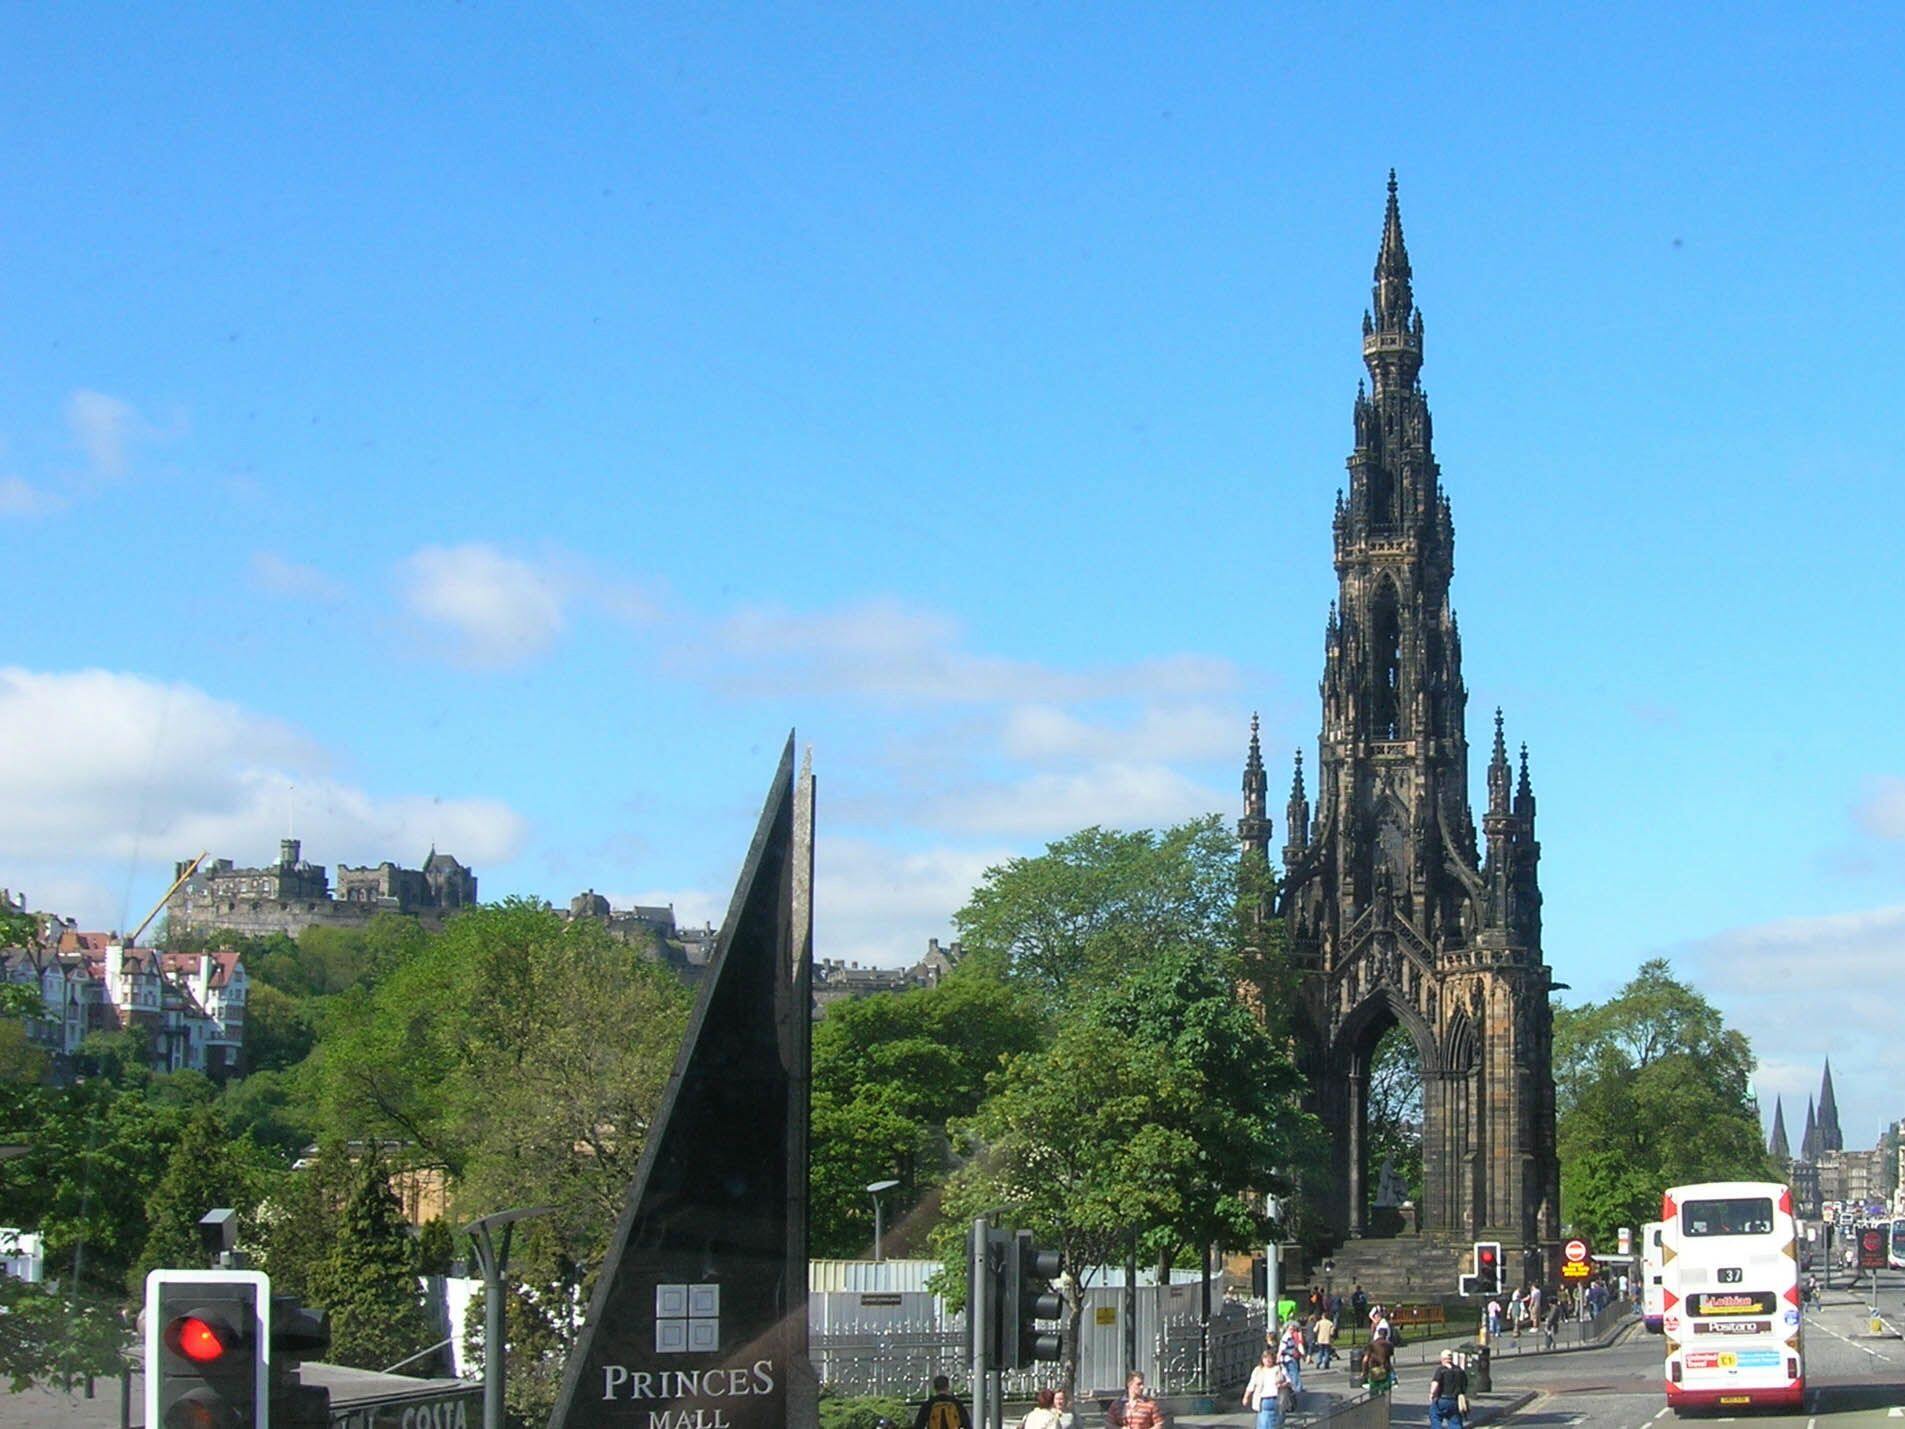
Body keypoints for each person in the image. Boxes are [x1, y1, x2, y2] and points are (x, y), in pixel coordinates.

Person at [1243, 1349, 1287, 1429]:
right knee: (1264, 1423)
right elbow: (1251, 1385)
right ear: (1262, 1359)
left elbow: (1289, 1382)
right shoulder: (1258, 1370)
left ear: (1273, 1359)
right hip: (1263, 1400)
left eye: (1270, 1358)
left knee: (1273, 1423)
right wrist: (1246, 1397)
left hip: (1277, 1400)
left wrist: (1282, 1385)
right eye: (1265, 1358)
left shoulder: (1279, 1369)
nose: (1268, 1360)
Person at [1428, 1349, 1468, 1429]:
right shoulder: (1459, 1370)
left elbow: (1435, 1383)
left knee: (1435, 1416)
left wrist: (1432, 1394)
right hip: (1455, 1401)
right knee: (1455, 1421)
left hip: (1442, 1399)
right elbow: (1465, 1384)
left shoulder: (1441, 1370)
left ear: (1442, 1359)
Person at [1278, 1318, 1306, 1394]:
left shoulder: (1291, 1336)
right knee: (1293, 1372)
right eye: (1290, 1329)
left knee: (1292, 1372)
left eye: (1293, 1329)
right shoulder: (1286, 1337)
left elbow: (1296, 1346)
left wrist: (1302, 1354)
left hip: (1291, 1357)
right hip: (1288, 1358)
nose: (1292, 1330)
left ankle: (1295, 1387)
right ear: (1286, 1329)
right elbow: (1281, 1349)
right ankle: (1297, 1388)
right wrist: (1278, 1358)